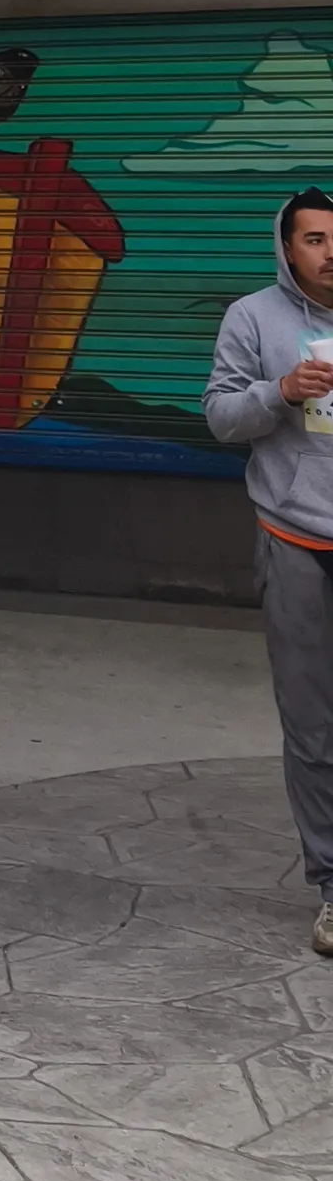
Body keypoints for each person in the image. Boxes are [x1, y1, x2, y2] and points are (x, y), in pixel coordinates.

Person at [206, 187, 333, 949]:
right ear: (288, 249)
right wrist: (280, 391)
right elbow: (220, 415)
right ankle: (331, 881)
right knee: (315, 725)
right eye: (315, 239)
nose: (330, 251)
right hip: (295, 540)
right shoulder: (253, 317)